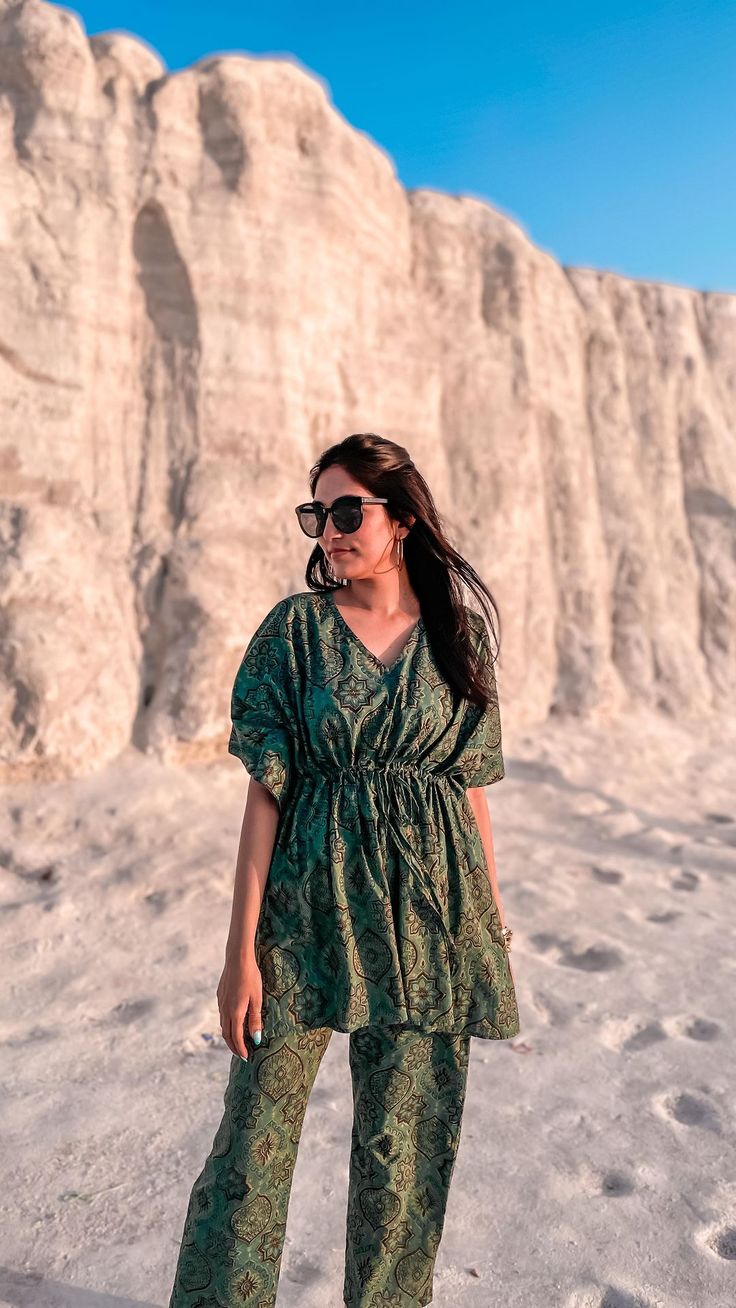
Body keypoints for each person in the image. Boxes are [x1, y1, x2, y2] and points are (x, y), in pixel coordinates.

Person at [167, 431, 521, 1307]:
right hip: (304, 909)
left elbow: (469, 791)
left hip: (431, 917)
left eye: (346, 509)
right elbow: (265, 796)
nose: (328, 528)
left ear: (400, 518)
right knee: (252, 1142)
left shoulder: (457, 636)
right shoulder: (295, 632)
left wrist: (491, 924)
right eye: (316, 513)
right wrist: (239, 952)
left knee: (405, 1154)